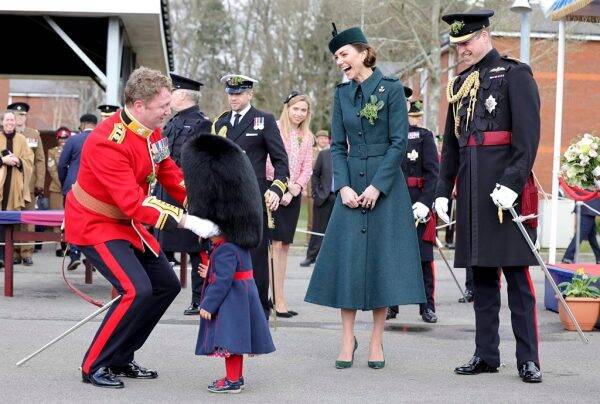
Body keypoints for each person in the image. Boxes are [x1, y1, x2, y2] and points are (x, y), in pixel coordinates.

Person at [64, 66, 219, 389]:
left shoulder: (153, 131)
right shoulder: (107, 141)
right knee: (135, 289)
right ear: (138, 105)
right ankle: (95, 364)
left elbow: (167, 171)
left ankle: (122, 356)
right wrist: (188, 221)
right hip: (95, 222)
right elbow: (133, 203)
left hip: (126, 223)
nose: (168, 110)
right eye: (162, 106)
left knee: (166, 285)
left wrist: (198, 201)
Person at [305, 25, 425, 369]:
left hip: (384, 186)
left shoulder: (389, 90)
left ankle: (376, 341)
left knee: (380, 264)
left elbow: (398, 143)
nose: (339, 62)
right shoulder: (341, 94)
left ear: (362, 52)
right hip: (349, 184)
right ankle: (347, 338)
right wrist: (342, 186)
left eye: (343, 54)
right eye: (336, 58)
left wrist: (377, 187)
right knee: (348, 262)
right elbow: (337, 146)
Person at [434, 9, 542, 383]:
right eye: (457, 44)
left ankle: (528, 358)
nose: (461, 50)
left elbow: (527, 139)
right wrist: (441, 191)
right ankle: (486, 353)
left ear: (485, 35)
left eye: (466, 42)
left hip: (503, 194)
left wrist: (512, 182)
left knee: (516, 279)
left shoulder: (515, 74)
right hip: (472, 191)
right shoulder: (459, 84)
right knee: (481, 281)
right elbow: (451, 146)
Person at [182, 134, 275, 394]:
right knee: (234, 345)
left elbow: (223, 280)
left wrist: (206, 304)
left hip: (230, 302)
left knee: (230, 345)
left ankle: (232, 381)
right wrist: (208, 269)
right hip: (241, 298)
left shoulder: (224, 249)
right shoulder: (236, 245)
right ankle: (236, 378)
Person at [212, 74, 289, 319]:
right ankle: (228, 308)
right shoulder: (221, 122)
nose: (233, 98)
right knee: (225, 252)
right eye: (230, 93)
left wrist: (276, 189)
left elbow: (281, 161)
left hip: (252, 197)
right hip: (225, 198)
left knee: (255, 256)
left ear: (249, 94)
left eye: (238, 93)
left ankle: (258, 311)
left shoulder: (263, 120)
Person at [152, 73, 212, 315]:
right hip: (164, 189)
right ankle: (158, 288)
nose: (168, 97)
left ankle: (200, 297)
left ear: (184, 95)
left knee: (195, 247)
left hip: (187, 192)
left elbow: (200, 160)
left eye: (173, 92)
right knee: (159, 242)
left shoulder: (202, 123)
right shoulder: (172, 122)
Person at [387, 98, 440, 324]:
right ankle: (390, 305)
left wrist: (426, 202)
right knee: (392, 258)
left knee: (423, 259)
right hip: (394, 202)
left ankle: (426, 306)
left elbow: (433, 173)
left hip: (418, 201)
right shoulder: (389, 136)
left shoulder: (425, 137)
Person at [266, 91, 313, 317]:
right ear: (287, 108)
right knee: (273, 246)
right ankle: (271, 297)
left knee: (284, 246)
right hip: (274, 192)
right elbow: (268, 162)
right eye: (296, 109)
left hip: (293, 196)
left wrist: (295, 188)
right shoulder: (274, 129)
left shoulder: (307, 136)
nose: (299, 114)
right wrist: (282, 186)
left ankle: (279, 295)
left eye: (303, 110)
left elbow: (307, 167)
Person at [58, 113, 97, 270]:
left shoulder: (73, 140)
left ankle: (74, 254)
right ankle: (92, 257)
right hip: (95, 189)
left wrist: (65, 184)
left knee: (73, 220)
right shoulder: (103, 139)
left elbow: (61, 165)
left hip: (73, 187)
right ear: (96, 124)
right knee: (93, 222)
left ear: (81, 125)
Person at [8, 102, 44, 266]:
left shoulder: (33, 134)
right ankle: (14, 252)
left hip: (29, 184)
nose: (19, 118)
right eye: (16, 115)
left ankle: (27, 253)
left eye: (22, 115)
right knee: (13, 218)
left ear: (26, 117)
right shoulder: (7, 134)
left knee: (29, 220)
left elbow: (40, 160)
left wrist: (40, 183)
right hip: (11, 184)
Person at [0, 110, 35, 266]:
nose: (9, 123)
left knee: (10, 221)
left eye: (12, 120)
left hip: (14, 185)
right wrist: (3, 160)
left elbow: (29, 160)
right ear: (2, 122)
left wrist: (18, 161)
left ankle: (9, 255)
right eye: (7, 120)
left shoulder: (21, 139)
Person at [301, 130, 333, 267]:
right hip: (324, 197)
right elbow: (315, 175)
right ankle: (311, 256)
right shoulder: (324, 155)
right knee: (317, 228)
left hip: (342, 198)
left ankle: (332, 260)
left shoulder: (348, 156)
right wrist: (316, 193)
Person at [47, 126, 71, 257]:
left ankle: (68, 244)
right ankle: (58, 245)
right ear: (57, 139)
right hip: (56, 188)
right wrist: (62, 183)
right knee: (56, 216)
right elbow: (52, 169)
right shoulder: (52, 151)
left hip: (70, 188)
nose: (63, 140)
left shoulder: (73, 150)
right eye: (61, 138)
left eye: (65, 138)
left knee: (69, 217)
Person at [562, 197, 600, 264]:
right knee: (580, 234)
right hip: (588, 206)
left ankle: (599, 257)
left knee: (592, 236)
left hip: (589, 206)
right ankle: (568, 256)